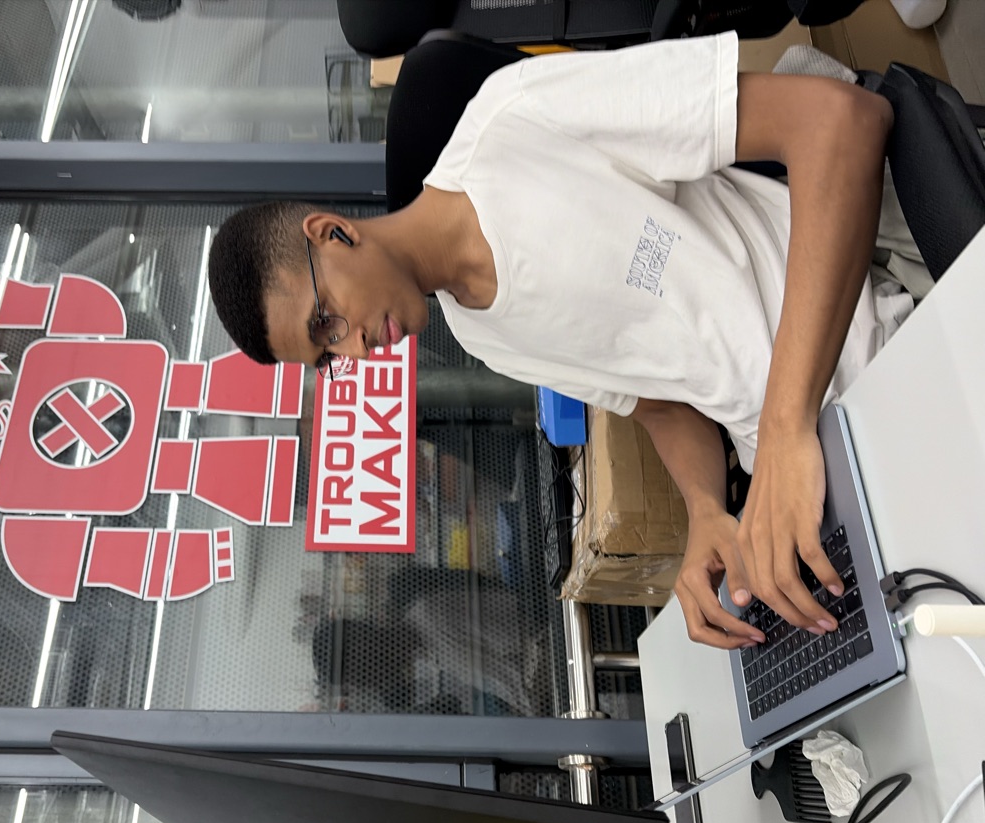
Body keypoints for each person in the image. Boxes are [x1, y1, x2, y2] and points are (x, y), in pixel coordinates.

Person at [206, 34, 923, 651]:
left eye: (326, 323)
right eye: (329, 358)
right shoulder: (480, 333)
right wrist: (707, 511)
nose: (355, 353)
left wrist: (787, 426)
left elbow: (840, 121)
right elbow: (662, 408)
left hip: (879, 359)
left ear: (330, 233)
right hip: (801, 478)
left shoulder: (516, 122)